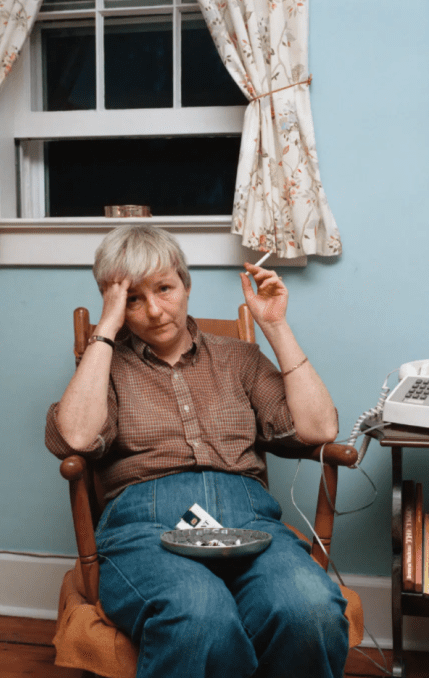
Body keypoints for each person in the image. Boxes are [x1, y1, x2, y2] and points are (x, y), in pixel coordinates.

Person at [45, 225, 348, 678]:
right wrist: (106, 329)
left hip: (250, 522)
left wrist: (275, 326)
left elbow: (320, 427)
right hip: (144, 529)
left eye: (164, 288)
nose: (154, 310)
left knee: (310, 608)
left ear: (186, 284)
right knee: (199, 613)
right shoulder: (105, 367)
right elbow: (74, 437)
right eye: (133, 299)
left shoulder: (239, 358)